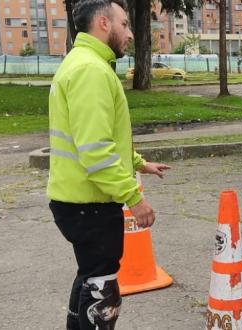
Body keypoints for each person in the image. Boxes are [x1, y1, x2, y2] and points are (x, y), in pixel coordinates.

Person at [46, 0, 171, 329]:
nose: (130, 33)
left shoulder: (83, 63)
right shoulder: (91, 70)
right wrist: (135, 197)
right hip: (91, 204)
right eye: (125, 24)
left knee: (90, 279)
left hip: (78, 200)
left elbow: (99, 139)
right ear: (103, 23)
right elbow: (96, 151)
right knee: (103, 292)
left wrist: (139, 164)